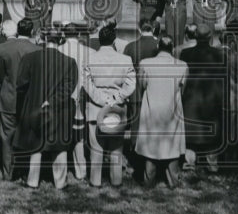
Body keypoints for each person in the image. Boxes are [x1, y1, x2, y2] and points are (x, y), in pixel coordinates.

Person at [14, 24, 78, 190]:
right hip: (60, 109)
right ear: (60, 40)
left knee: (36, 145)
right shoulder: (69, 62)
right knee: (59, 146)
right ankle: (60, 182)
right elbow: (68, 89)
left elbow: (20, 84)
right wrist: (51, 101)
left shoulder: (30, 58)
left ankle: (32, 181)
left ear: (43, 39)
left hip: (35, 106)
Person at [82, 20, 136, 187]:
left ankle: (95, 180)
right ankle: (116, 179)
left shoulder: (90, 58)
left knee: (96, 146)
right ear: (114, 41)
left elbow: (86, 83)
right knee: (116, 147)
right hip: (117, 108)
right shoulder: (125, 59)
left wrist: (101, 99)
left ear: (99, 40)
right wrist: (115, 98)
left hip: (95, 107)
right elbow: (130, 84)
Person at [135, 35, 188, 188]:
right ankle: (173, 180)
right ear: (172, 48)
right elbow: (183, 89)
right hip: (172, 108)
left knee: (151, 143)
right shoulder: (182, 65)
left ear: (158, 46)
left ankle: (149, 180)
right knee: (172, 143)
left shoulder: (145, 64)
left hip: (152, 107)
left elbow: (142, 85)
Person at [179, 23, 229, 173]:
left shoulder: (186, 53)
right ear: (209, 37)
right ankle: (212, 164)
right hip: (211, 98)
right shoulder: (219, 54)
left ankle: (189, 163)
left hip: (191, 98)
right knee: (212, 135)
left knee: (191, 135)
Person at [0, 18, 38, 181]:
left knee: (7, 137)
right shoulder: (37, 49)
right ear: (32, 31)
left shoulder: (1, 48)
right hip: (29, 99)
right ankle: (24, 171)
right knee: (27, 137)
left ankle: (8, 172)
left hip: (8, 97)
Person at [58, 21, 92, 181]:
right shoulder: (89, 52)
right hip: (82, 97)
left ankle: (62, 170)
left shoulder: (58, 50)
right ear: (79, 35)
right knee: (79, 137)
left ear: (64, 34)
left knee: (62, 135)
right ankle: (80, 170)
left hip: (62, 98)